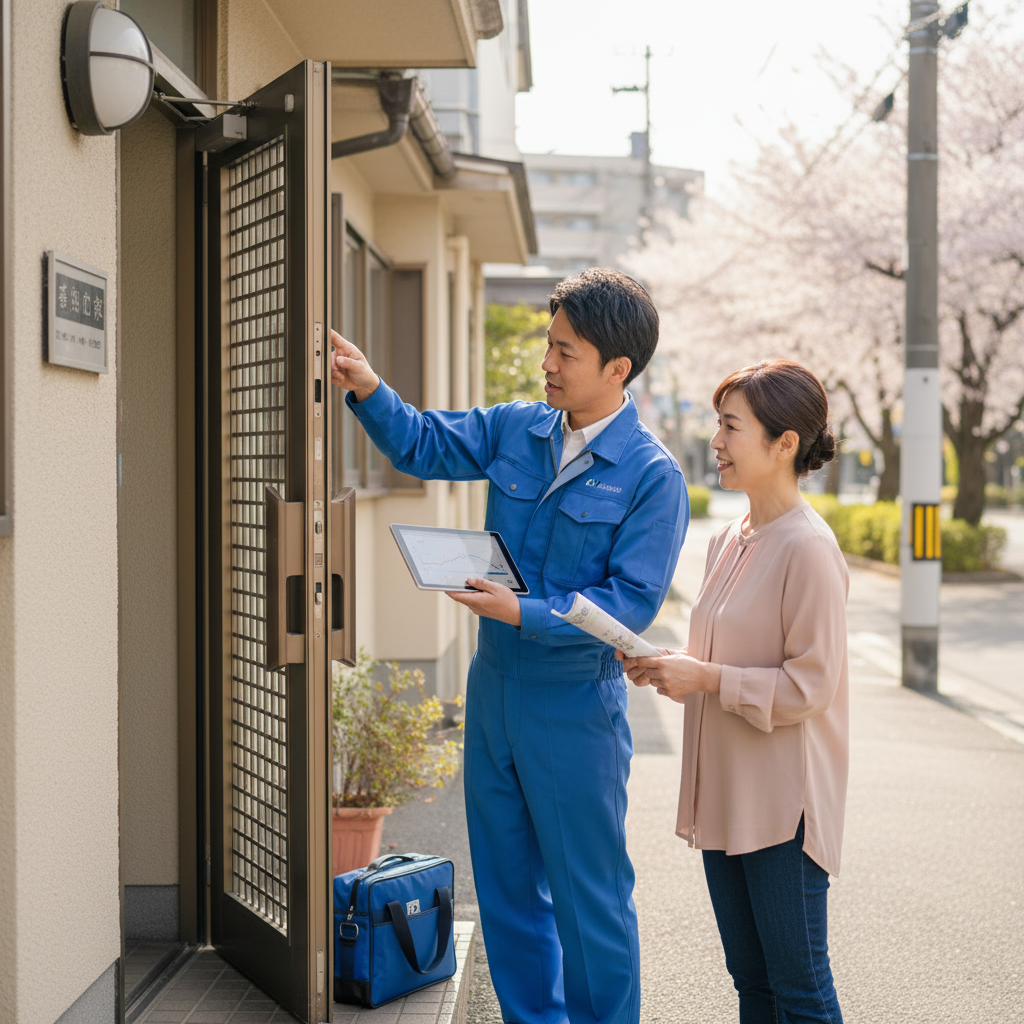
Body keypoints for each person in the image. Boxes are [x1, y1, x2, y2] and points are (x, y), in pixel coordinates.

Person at [330, 268, 688, 1024]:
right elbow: (424, 444)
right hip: (492, 691)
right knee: (507, 890)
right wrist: (367, 387)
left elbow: (629, 603)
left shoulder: (653, 477)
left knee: (590, 898)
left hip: (573, 707)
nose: (548, 364)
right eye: (548, 345)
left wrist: (525, 612)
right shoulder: (516, 428)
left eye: (567, 352)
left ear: (617, 369)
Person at [619, 359, 848, 1024]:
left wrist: (707, 678)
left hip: (782, 807)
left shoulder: (809, 548)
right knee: (752, 982)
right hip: (728, 794)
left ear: (784, 444)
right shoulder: (728, 538)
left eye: (729, 426)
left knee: (800, 988)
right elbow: (727, 659)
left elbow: (812, 686)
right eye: (716, 425)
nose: (714, 441)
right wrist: (673, 666)